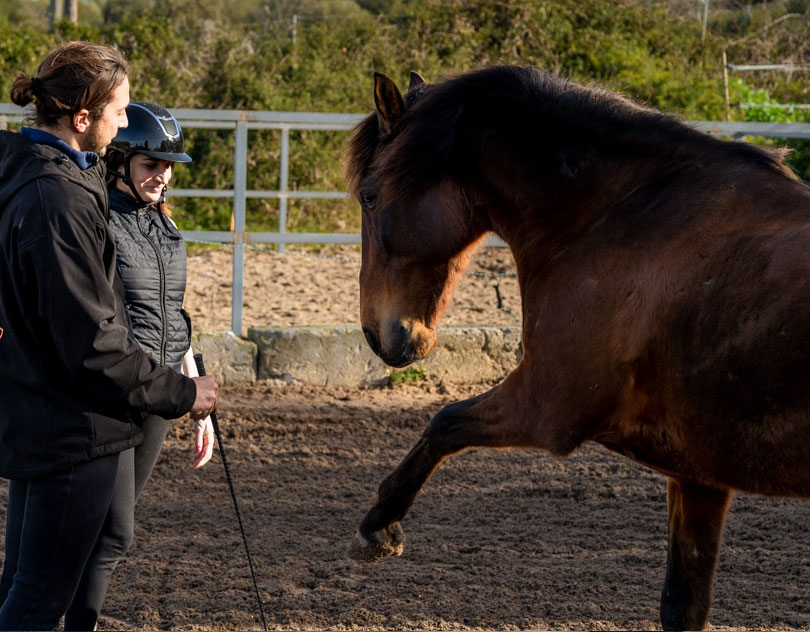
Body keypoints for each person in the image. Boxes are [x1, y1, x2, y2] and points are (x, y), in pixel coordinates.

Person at [0, 42, 219, 630]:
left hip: (83, 407)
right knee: (39, 595)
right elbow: (92, 338)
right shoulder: (60, 199)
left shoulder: (67, 184)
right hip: (80, 419)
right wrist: (182, 394)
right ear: (82, 116)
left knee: (31, 581)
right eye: (119, 110)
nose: (123, 121)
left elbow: (159, 309)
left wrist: (186, 372)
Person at [64, 102, 216, 629]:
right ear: (123, 162)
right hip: (112, 395)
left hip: (159, 393)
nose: (163, 176)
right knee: (111, 533)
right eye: (152, 164)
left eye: (169, 166)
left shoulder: (166, 230)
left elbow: (174, 314)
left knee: (107, 533)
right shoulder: (99, 220)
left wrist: (192, 380)